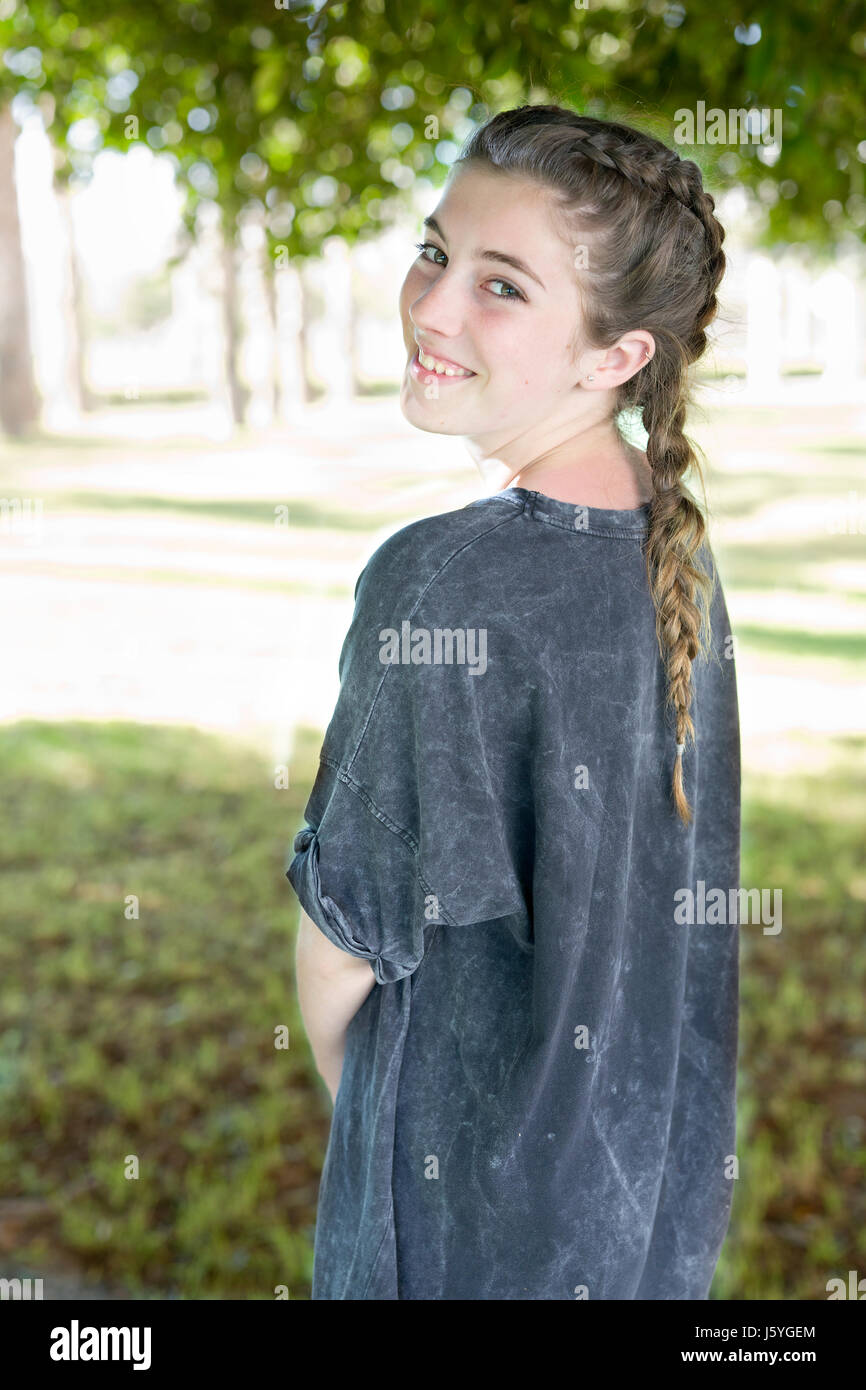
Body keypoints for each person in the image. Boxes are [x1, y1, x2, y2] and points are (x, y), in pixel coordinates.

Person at [286, 103, 740, 1300]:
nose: (430, 307)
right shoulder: (677, 557)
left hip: (455, 1241)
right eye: (434, 252)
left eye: (502, 285)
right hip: (642, 1216)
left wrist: (384, 1126)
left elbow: (342, 946)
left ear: (613, 357)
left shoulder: (438, 577)